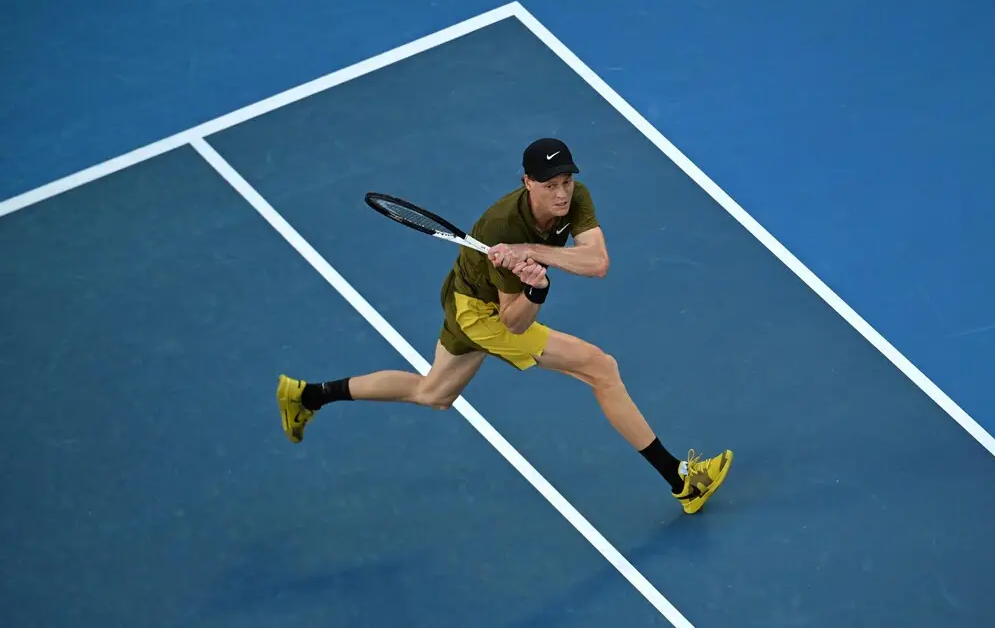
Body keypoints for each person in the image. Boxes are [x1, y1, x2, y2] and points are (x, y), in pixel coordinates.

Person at [276, 137, 732, 514]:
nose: (561, 194)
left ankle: (308, 395)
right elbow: (512, 324)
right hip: (480, 313)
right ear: (527, 182)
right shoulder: (499, 227)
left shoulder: (574, 200)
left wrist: (533, 254)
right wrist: (536, 290)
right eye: (549, 185)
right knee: (600, 367)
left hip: (468, 296)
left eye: (567, 181)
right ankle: (682, 480)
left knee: (433, 393)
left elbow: (597, 262)